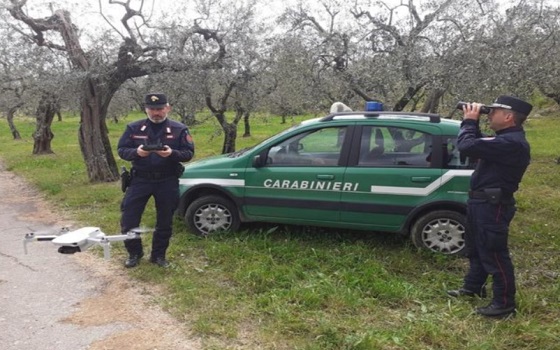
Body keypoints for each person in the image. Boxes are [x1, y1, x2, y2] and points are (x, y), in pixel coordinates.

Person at [447, 95, 532, 318]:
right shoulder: (502, 141)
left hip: (492, 206)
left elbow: (467, 146)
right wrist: (471, 124)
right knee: (477, 249)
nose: (490, 115)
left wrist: (470, 121)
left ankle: (503, 305)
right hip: (481, 203)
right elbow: (477, 145)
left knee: (494, 254)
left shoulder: (512, 143)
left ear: (508, 117)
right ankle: (472, 288)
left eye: (493, 111)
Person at [117, 93, 195, 268]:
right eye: (152, 109)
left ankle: (158, 256)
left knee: (165, 221)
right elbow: (121, 150)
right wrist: (137, 153)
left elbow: (188, 153)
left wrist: (172, 154)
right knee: (129, 219)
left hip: (167, 180)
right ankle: (134, 253)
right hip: (140, 180)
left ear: (167, 108)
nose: (156, 113)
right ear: (146, 109)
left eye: (159, 109)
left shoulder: (179, 129)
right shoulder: (134, 128)